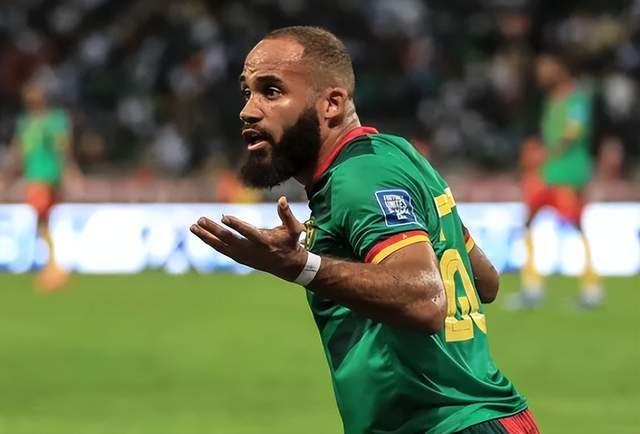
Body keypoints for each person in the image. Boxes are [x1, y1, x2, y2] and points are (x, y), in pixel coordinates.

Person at [190, 26, 539, 434]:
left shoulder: (356, 178)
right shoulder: (397, 153)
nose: (248, 111)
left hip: (447, 425)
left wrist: (301, 266)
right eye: (247, 92)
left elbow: (425, 301)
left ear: (332, 104)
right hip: (493, 417)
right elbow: (486, 281)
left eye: (271, 91)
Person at [511, 49, 602, 309]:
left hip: (567, 174)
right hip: (547, 173)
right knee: (528, 222)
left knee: (576, 226)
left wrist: (543, 153)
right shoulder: (552, 101)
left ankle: (591, 289)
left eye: (547, 67)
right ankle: (532, 288)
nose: (541, 73)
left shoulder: (576, 99)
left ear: (562, 68)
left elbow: (573, 133)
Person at [3, 81, 81, 291]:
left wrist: (69, 171)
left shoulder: (49, 122)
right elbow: (20, 151)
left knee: (43, 222)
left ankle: (54, 267)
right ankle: (53, 265)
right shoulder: (33, 123)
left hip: (43, 177)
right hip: (42, 177)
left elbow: (61, 148)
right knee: (44, 222)